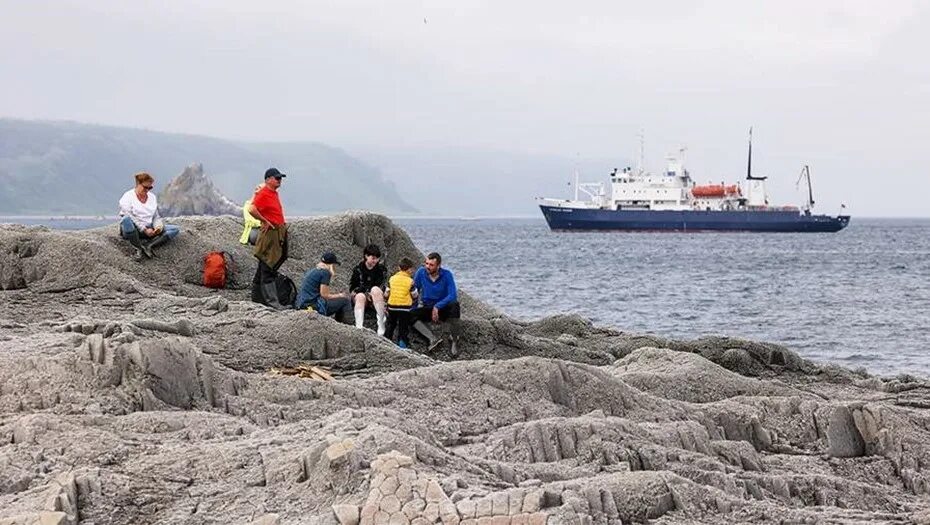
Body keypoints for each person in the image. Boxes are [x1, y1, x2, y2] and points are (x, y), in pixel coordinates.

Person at [118, 172, 180, 261]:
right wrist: (144, 229)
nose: (147, 190)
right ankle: (138, 248)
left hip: (149, 227)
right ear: (138, 184)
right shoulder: (127, 197)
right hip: (133, 229)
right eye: (145, 187)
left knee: (175, 229)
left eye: (149, 188)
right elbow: (129, 215)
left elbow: (156, 216)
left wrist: (157, 226)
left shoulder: (152, 197)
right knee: (126, 219)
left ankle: (149, 245)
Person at [249, 168, 289, 308]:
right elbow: (252, 209)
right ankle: (273, 303)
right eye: (276, 178)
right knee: (268, 266)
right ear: (268, 179)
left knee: (266, 264)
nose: (279, 180)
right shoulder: (264, 193)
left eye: (280, 178)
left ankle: (256, 299)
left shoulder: (273, 193)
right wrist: (264, 221)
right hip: (270, 233)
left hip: (278, 231)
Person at [412, 252, 463, 357]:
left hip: (443, 308)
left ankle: (454, 340)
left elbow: (452, 295)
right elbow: (414, 291)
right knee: (409, 314)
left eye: (431, 265)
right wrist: (414, 307)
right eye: (426, 263)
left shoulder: (447, 274)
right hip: (428, 307)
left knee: (455, 305)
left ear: (438, 266)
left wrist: (437, 306)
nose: (427, 267)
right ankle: (432, 339)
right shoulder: (421, 272)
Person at [296, 252, 352, 323]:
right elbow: (325, 295)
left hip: (301, 303)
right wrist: (340, 295)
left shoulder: (314, 270)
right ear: (331, 264)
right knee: (345, 301)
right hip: (312, 306)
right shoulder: (325, 273)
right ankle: (348, 326)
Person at [349, 244, 388, 335]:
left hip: (375, 296)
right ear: (366, 256)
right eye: (373, 258)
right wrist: (362, 292)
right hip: (362, 296)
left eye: (377, 258)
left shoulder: (381, 269)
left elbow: (382, 285)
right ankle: (359, 327)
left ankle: (381, 325)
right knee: (360, 296)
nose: (376, 261)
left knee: (375, 289)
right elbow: (353, 287)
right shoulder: (358, 269)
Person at [384, 257, 418, 348]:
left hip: (392, 306)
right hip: (405, 308)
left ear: (399, 268)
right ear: (410, 269)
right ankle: (402, 344)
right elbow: (414, 294)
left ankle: (386, 341)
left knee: (391, 324)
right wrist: (414, 300)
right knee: (403, 327)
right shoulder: (410, 281)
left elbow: (387, 292)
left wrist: (386, 300)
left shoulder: (392, 279)